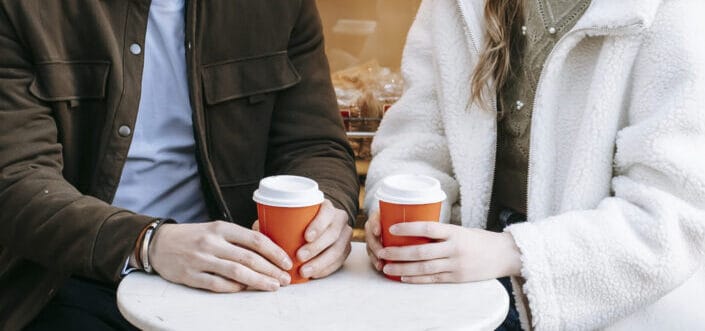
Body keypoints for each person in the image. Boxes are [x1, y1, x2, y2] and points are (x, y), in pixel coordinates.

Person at [0, 1, 359, 330]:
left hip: (244, 278)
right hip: (70, 280)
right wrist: (149, 242)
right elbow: (17, 179)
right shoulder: (25, 8)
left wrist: (327, 211)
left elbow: (315, 144)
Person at [364, 0, 705, 330]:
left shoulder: (673, 10)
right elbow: (417, 137)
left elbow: (671, 216)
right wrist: (403, 215)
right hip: (461, 279)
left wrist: (514, 251)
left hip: (602, 305)